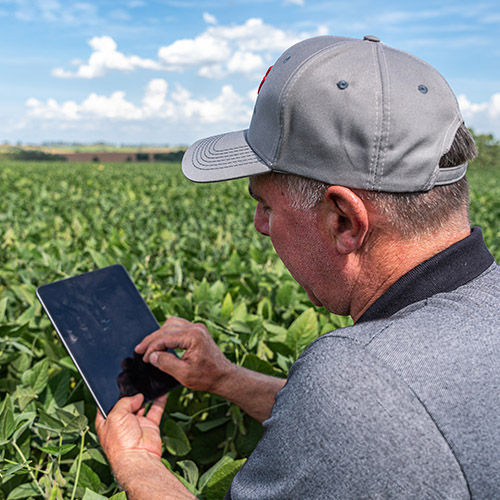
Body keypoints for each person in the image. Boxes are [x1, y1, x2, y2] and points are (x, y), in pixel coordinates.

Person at [95, 35, 500, 499]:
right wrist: (226, 378)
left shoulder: (357, 378)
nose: (259, 226)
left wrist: (137, 464)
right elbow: (378, 428)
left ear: (344, 220)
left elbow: (371, 403)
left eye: (265, 204)